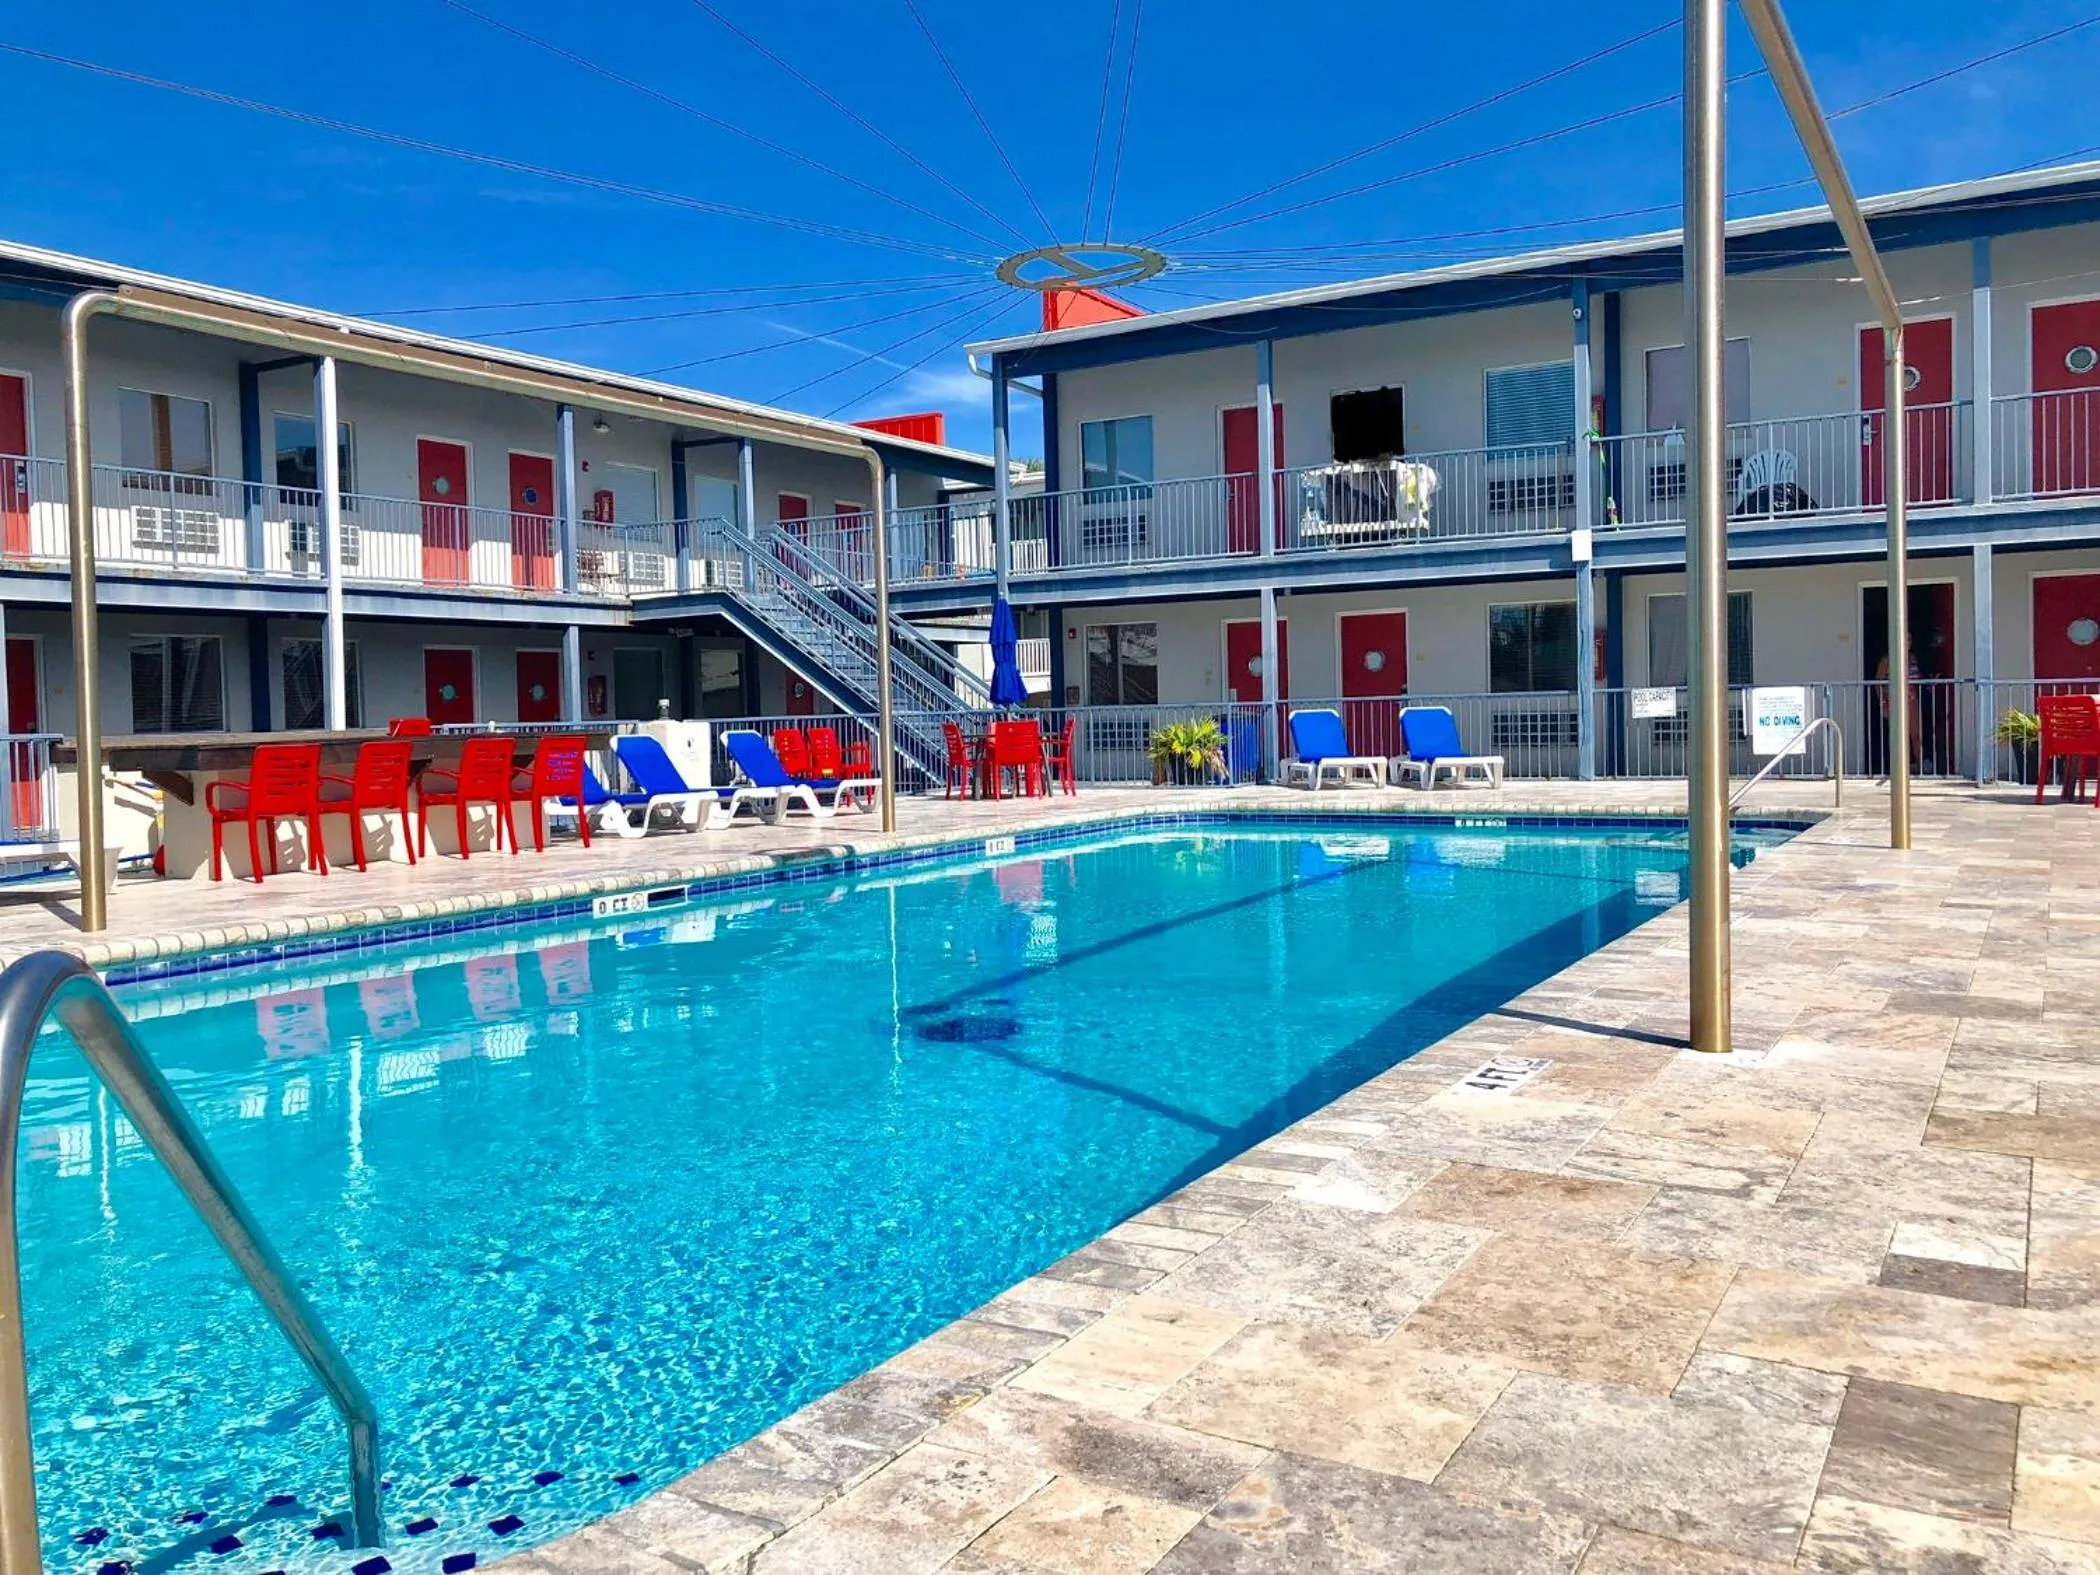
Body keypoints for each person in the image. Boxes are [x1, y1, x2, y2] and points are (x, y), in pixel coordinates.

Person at [1873, 642, 1923, 777]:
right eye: (1905, 639)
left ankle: (1920, 768)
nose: (1907, 643)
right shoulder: (1886, 660)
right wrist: (1883, 702)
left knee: (1916, 735)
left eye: (1910, 640)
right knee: (1899, 736)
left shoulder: (1912, 658)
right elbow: (1878, 683)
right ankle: (1900, 769)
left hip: (1912, 700)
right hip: (1894, 701)